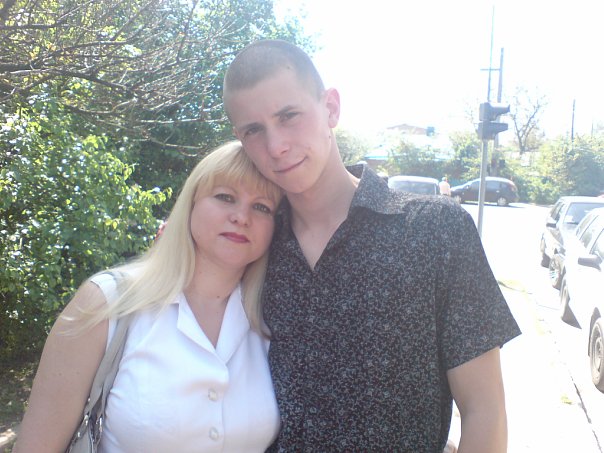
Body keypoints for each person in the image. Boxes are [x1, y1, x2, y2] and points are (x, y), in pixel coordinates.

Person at [223, 40, 521, 452]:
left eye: (288, 116)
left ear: (330, 108)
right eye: (253, 130)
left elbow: (484, 409)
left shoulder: (436, 230)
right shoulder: (252, 243)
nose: (276, 147)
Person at [14, 141, 283, 452]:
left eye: (262, 207)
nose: (242, 217)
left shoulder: (271, 320)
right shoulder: (108, 302)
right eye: (225, 197)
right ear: (190, 204)